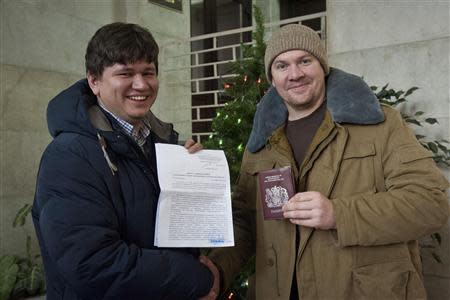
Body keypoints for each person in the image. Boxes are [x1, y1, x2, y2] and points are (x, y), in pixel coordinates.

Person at [209, 24, 450, 299]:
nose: (295, 74)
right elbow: (244, 223)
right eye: (281, 65)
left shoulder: (380, 124)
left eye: (305, 61)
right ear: (271, 78)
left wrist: (339, 214)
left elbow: (431, 204)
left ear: (322, 65)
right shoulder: (260, 143)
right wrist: (217, 270)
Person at [32, 22, 219, 300]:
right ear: (94, 81)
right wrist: (196, 278)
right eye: (125, 73)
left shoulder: (161, 146)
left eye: (148, 72)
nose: (141, 84)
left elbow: (171, 231)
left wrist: (194, 173)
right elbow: (93, 265)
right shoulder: (70, 156)